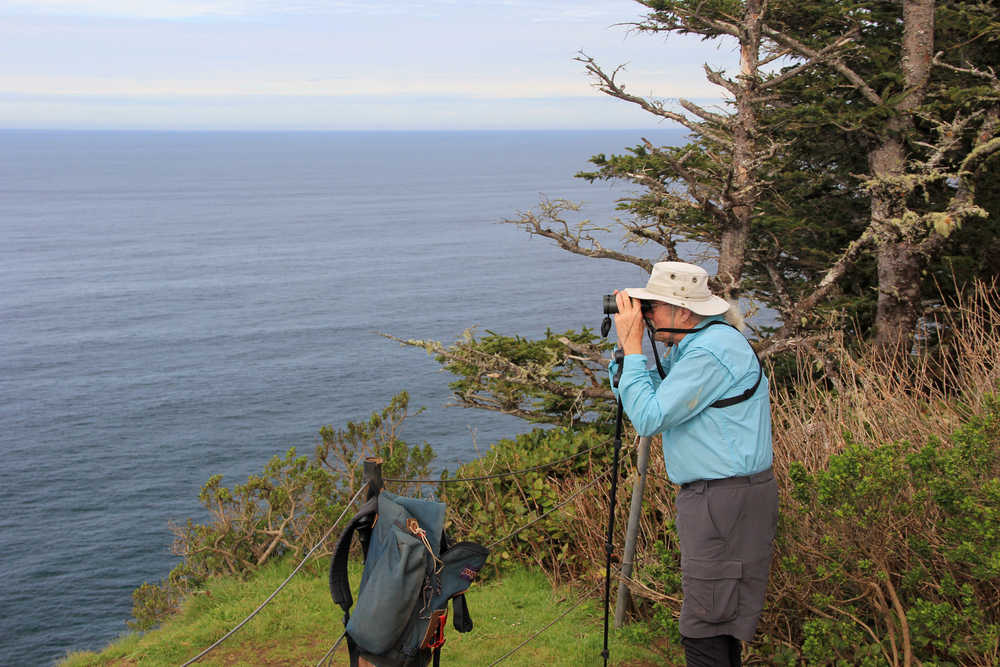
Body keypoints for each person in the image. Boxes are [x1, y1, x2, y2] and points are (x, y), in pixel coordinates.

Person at [609, 261, 778, 667]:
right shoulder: (704, 345)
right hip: (725, 497)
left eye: (653, 306)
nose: (646, 314)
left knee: (703, 624)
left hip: (722, 500)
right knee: (719, 618)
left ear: (684, 311)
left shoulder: (710, 352)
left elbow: (649, 419)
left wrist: (633, 350)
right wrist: (624, 359)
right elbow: (655, 405)